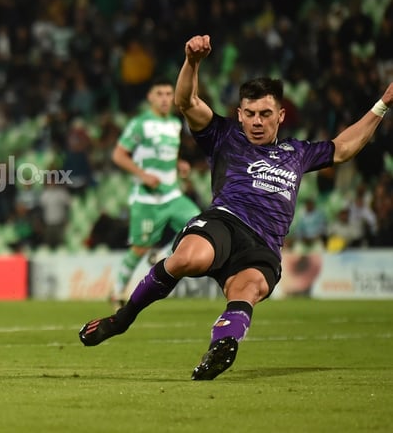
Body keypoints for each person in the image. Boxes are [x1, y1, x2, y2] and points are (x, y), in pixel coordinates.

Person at [78, 34, 393, 380]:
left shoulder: (297, 153)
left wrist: (383, 103)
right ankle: (121, 319)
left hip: (264, 245)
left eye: (265, 114)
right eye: (251, 114)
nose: (257, 121)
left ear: (281, 115)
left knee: (247, 289)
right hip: (224, 223)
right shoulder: (223, 135)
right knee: (187, 258)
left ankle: (220, 349)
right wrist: (192, 62)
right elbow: (187, 101)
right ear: (240, 115)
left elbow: (344, 147)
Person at [109, 78, 200, 306]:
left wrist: (179, 164)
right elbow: (119, 155)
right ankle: (118, 291)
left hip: (171, 194)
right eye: (159, 93)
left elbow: (166, 154)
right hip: (147, 198)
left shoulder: (175, 124)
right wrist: (142, 175)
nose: (165, 98)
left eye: (169, 94)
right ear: (150, 97)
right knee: (140, 248)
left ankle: (160, 257)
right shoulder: (140, 124)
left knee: (196, 224)